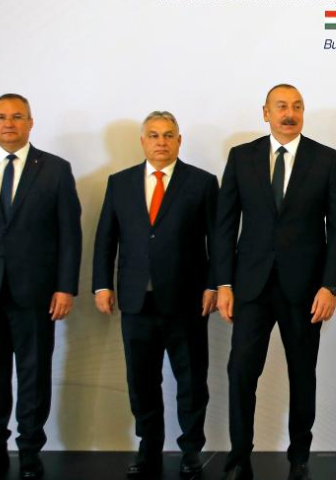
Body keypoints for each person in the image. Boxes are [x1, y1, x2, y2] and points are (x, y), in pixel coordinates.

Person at [215, 84, 336, 480]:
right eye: (281, 107)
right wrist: (223, 283)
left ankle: (299, 457)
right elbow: (224, 226)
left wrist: (331, 286)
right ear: (265, 113)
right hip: (250, 287)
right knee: (240, 370)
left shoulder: (327, 159)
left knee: (302, 373)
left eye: (296, 107)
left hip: (307, 289)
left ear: (303, 112)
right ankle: (239, 455)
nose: (289, 113)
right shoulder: (242, 158)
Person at [92, 111, 218, 478]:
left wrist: (214, 285)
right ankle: (149, 448)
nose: (161, 142)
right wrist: (102, 284)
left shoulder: (202, 183)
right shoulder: (120, 183)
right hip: (135, 301)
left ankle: (191, 450)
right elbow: (106, 238)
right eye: (153, 135)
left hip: (187, 300)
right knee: (141, 381)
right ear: (142, 141)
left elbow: (219, 242)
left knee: (192, 381)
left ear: (180, 140)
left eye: (168, 135)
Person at [0, 93, 82, 479]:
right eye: (2, 117)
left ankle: (30, 447)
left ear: (31, 123)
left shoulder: (53, 169)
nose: (9, 123)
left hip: (34, 291)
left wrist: (65, 287)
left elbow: (70, 234)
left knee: (33, 371)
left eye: (18, 117)